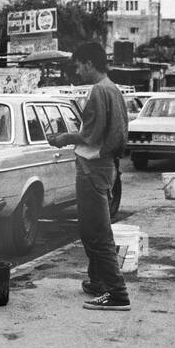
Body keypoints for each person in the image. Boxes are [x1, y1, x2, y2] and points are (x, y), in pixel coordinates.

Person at [49, 42, 131, 311]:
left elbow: (90, 137)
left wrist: (63, 138)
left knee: (97, 232)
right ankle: (98, 281)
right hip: (106, 167)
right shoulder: (113, 89)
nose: (78, 71)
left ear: (88, 63)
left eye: (78, 66)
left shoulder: (99, 91)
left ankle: (117, 293)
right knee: (91, 228)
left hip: (93, 168)